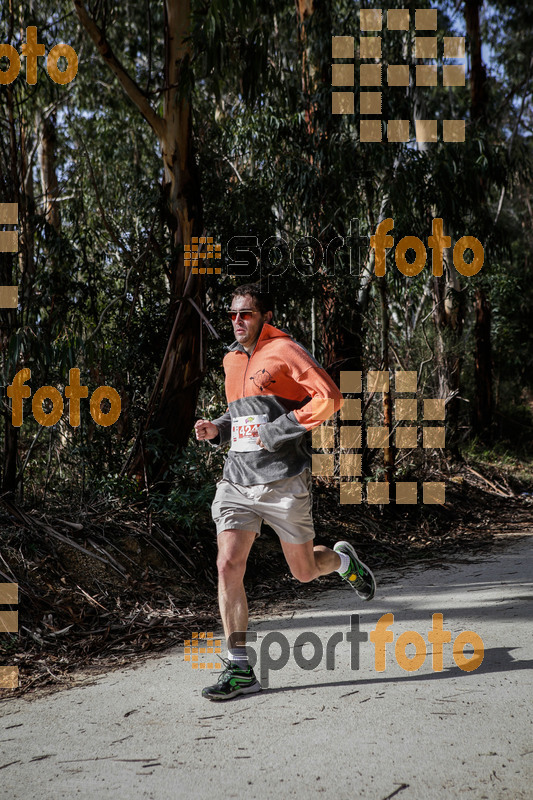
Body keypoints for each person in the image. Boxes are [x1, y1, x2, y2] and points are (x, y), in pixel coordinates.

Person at [194, 283, 376, 701]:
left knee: (304, 571)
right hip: (237, 479)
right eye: (233, 314)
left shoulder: (285, 350)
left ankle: (343, 560)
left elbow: (329, 397)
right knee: (227, 565)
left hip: (283, 481)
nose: (238, 321)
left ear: (264, 317)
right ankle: (240, 669)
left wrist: (278, 431)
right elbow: (240, 418)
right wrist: (216, 429)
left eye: (247, 314)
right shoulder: (231, 361)